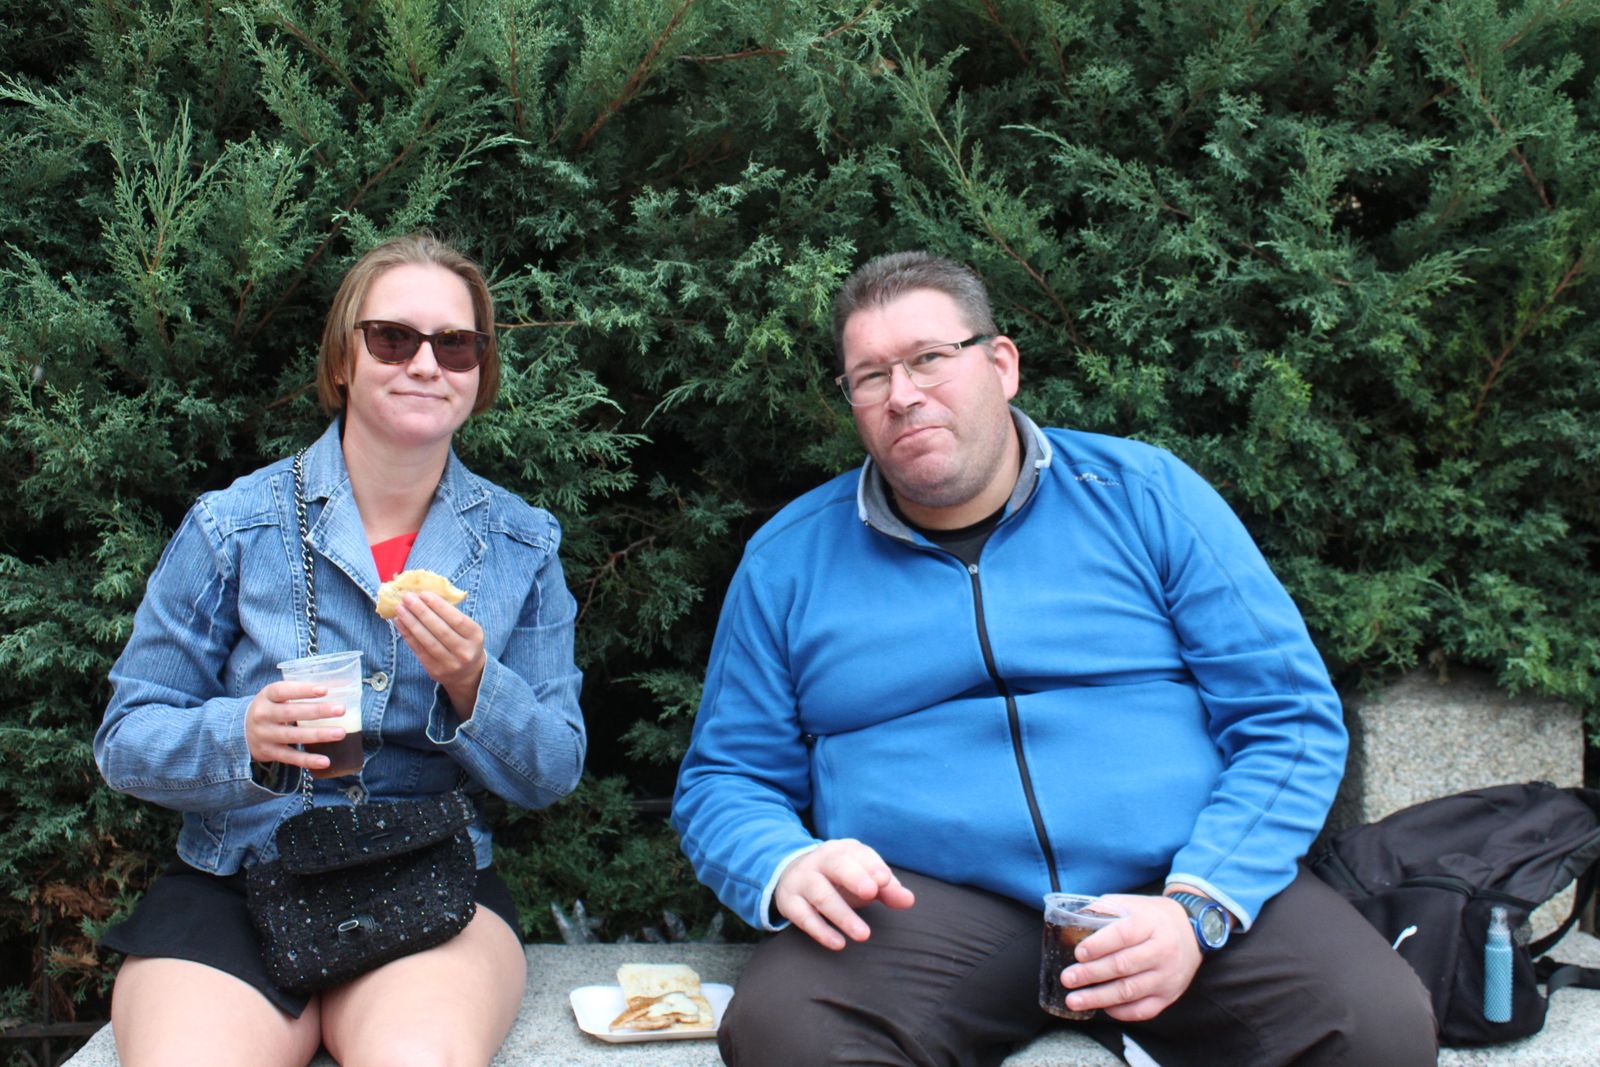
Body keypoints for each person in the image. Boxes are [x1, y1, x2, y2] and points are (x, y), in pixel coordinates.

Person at [671, 251, 1437, 1066]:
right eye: (871, 376)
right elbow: (724, 778)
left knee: (1375, 1024)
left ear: (1001, 364)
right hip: (926, 911)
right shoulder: (788, 560)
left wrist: (1201, 903)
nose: (902, 394)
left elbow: (1290, 717)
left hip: (1173, 883)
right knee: (787, 1031)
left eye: (929, 358)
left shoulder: (1145, 495)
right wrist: (782, 861)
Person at [95, 233, 585, 1067]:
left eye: (455, 344)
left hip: (428, 875)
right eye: (393, 338)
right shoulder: (235, 526)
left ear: (479, 370)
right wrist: (243, 734)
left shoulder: (520, 544)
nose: (425, 363)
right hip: (238, 873)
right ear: (343, 360)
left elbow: (554, 768)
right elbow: (125, 738)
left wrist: (475, 685)